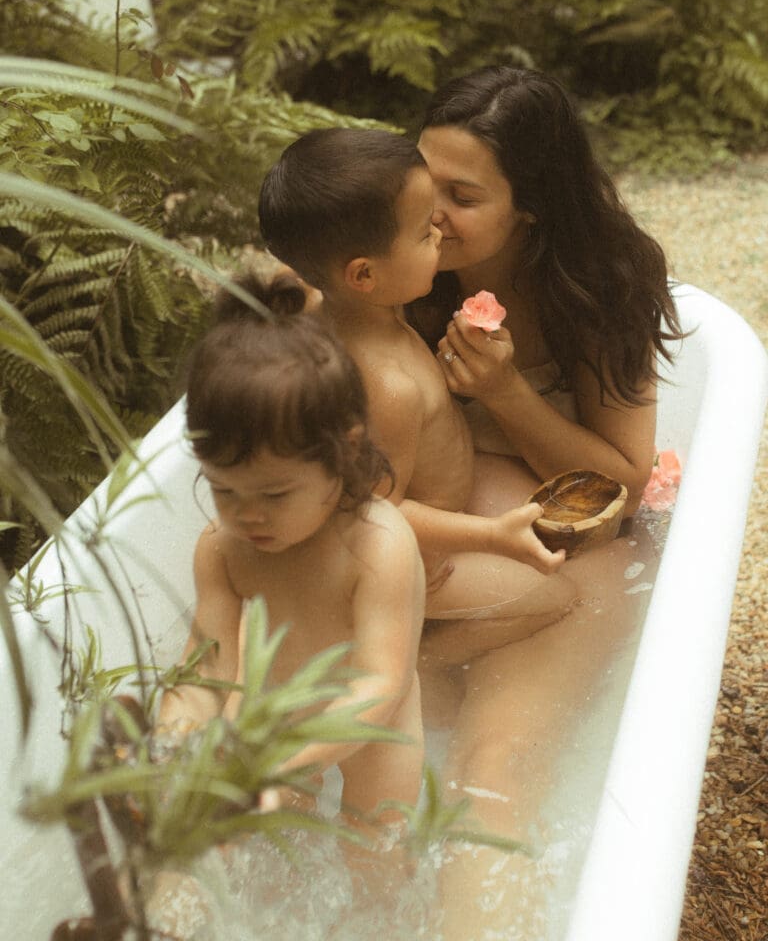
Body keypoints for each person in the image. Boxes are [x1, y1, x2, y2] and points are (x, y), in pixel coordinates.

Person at [401, 65, 685, 939]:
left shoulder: (598, 285)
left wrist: (506, 392)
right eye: (423, 181)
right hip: (448, 563)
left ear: (530, 207)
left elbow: (625, 486)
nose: (432, 213)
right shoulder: (401, 264)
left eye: (462, 196)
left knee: (491, 774)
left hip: (575, 556)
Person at [258, 127, 577, 644]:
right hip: (416, 561)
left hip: (427, 527)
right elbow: (377, 511)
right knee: (561, 600)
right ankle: (426, 664)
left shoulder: (342, 309)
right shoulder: (389, 386)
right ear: (364, 275)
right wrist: (491, 536)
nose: (439, 234)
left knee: (564, 552)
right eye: (425, 234)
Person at [158, 271, 426, 830]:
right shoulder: (223, 549)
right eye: (223, 490)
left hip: (374, 724)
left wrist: (284, 764)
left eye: (275, 494)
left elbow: (378, 681)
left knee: (376, 846)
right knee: (270, 850)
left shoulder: (377, 546)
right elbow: (209, 662)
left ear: (345, 449)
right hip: (279, 713)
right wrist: (171, 740)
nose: (247, 515)